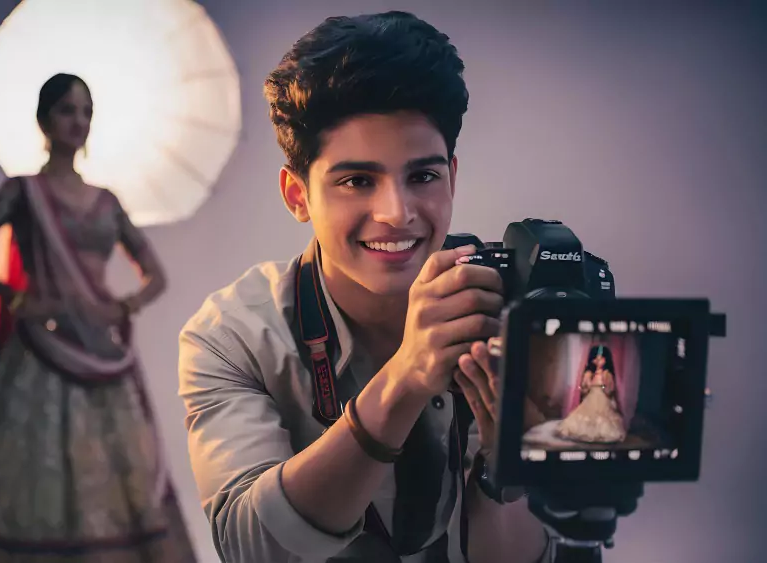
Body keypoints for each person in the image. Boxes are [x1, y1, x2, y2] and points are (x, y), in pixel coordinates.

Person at [178, 11, 551, 563]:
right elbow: (252, 547)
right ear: (297, 194)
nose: (396, 213)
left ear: (452, 176)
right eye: (357, 180)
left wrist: (507, 470)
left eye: (422, 176)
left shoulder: (510, 310)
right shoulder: (232, 336)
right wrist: (407, 377)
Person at [0, 73, 197, 563]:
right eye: (66, 110)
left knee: (110, 466)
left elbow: (155, 277)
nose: (78, 121)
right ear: (44, 120)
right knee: (25, 463)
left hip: (100, 350)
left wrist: (122, 307)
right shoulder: (23, 192)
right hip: (39, 350)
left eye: (86, 111)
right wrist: (14, 298)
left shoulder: (107, 201)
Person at [556, 345, 626, 443]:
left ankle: (600, 433)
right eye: (595, 359)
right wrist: (587, 382)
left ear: (606, 359)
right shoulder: (589, 374)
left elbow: (610, 389)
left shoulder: (606, 374)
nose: (598, 361)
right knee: (585, 414)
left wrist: (603, 387)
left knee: (602, 416)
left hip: (602, 397)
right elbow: (584, 388)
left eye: (601, 358)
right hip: (591, 396)